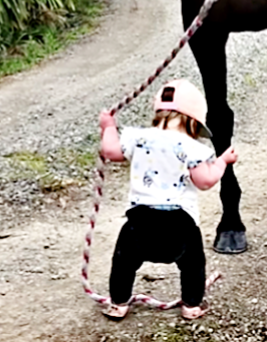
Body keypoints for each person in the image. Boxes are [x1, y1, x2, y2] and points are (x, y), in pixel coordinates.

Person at [97, 78, 237, 320]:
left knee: (123, 262)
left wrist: (108, 126)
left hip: (139, 222)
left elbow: (109, 151)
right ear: (194, 122)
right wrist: (222, 162)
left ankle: (118, 303)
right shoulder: (192, 148)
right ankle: (192, 305)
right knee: (193, 263)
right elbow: (205, 181)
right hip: (179, 224)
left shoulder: (137, 138)